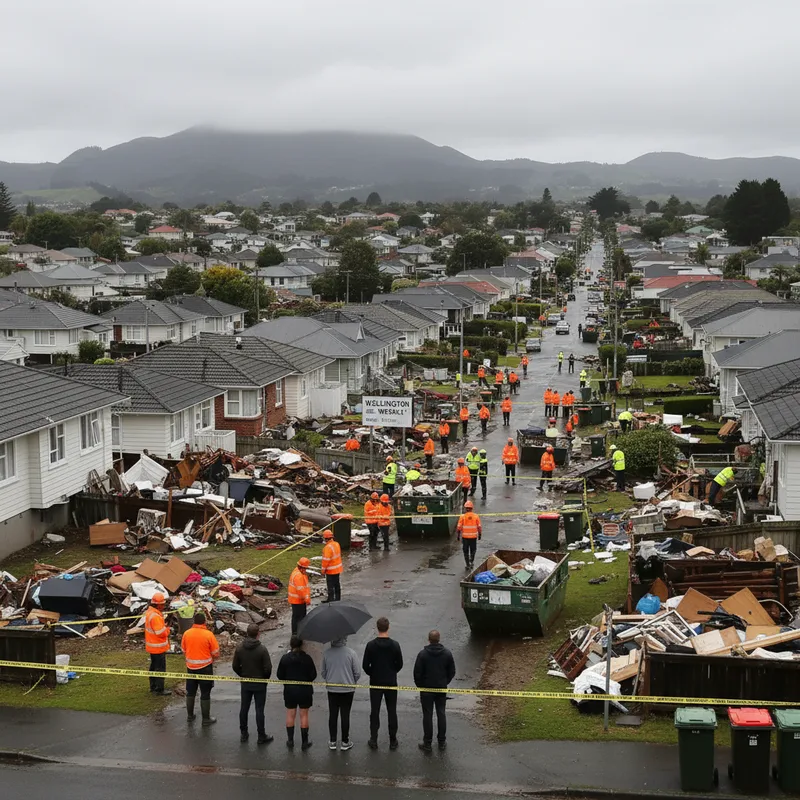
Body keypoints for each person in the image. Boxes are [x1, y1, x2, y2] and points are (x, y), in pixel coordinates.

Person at [363, 617, 403, 750]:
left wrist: (372, 673)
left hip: (375, 682)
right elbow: (400, 664)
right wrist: (392, 671)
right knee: (392, 711)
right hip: (391, 681)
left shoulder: (370, 645)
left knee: (375, 711)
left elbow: (365, 665)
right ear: (388, 627)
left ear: (377, 628)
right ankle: (393, 740)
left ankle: (373, 739)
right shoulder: (395, 645)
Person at [413, 630, 456, 752]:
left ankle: (427, 743)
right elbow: (452, 671)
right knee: (441, 713)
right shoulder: (447, 654)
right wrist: (444, 682)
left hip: (426, 689)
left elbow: (417, 673)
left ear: (429, 639)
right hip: (441, 688)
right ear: (439, 639)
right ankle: (441, 742)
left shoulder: (422, 654)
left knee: (427, 715)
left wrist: (420, 686)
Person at [232, 623, 273, 744]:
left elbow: (235, 666)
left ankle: (243, 734)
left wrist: (242, 675)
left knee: (244, 708)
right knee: (259, 710)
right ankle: (261, 736)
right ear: (258, 634)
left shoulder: (239, 648)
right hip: (259, 683)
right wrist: (264, 679)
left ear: (247, 633)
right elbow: (268, 668)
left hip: (245, 683)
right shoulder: (262, 649)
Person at [277, 635, 317, 750]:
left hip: (290, 690)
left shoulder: (285, 658)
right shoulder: (307, 658)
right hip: (304, 690)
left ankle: (290, 741)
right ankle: (305, 742)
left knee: (290, 714)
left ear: (291, 644)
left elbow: (280, 675)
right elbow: (313, 675)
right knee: (304, 715)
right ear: (302, 644)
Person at [181, 611, 220, 725]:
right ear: (204, 622)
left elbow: (183, 649)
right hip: (205, 668)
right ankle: (206, 719)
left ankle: (190, 716)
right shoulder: (208, 635)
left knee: (191, 692)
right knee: (205, 693)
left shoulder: (187, 633)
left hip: (191, 667)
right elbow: (216, 652)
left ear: (194, 622)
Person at [322, 637, 361, 751]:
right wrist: (352, 681)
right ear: (345, 638)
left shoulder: (327, 653)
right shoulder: (351, 653)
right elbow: (357, 672)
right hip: (347, 689)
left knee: (332, 715)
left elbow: (323, 672)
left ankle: (332, 741)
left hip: (332, 689)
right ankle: (345, 741)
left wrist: (330, 678)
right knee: (345, 715)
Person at [145, 591, 171, 696]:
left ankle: (153, 686)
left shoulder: (150, 613)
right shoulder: (155, 616)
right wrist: (167, 629)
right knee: (160, 668)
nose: (164, 606)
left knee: (153, 667)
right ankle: (159, 689)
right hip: (158, 647)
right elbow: (160, 633)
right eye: (163, 604)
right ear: (158, 604)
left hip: (152, 646)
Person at [288, 557, 312, 633]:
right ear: (303, 567)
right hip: (298, 601)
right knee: (300, 617)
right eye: (305, 568)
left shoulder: (296, 571)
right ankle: (298, 633)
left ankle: (295, 632)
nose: (306, 570)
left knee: (295, 617)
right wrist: (307, 600)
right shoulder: (299, 576)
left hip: (295, 600)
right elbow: (301, 591)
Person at [456, 499, 482, 569]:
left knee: (465, 551)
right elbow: (479, 526)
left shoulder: (462, 516)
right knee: (473, 550)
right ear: (472, 508)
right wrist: (480, 534)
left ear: (465, 508)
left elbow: (459, 527)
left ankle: (467, 564)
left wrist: (458, 535)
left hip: (465, 537)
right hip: (473, 537)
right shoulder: (476, 516)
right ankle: (471, 561)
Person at [321, 529, 343, 602]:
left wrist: (323, 571)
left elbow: (325, 561)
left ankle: (331, 600)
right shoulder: (336, 544)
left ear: (325, 538)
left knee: (330, 586)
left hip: (330, 571)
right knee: (337, 584)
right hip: (338, 569)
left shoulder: (327, 548)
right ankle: (337, 599)